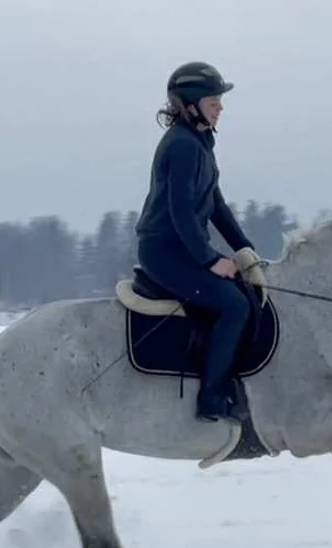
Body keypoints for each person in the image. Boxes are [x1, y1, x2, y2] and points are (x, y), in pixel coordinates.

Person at [134, 61, 258, 423]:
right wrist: (210, 260)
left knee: (247, 291)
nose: (220, 108)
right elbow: (182, 213)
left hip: (185, 248)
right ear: (189, 105)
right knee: (234, 306)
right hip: (165, 252)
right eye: (213, 102)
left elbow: (216, 205)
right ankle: (211, 397)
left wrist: (245, 251)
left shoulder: (201, 142)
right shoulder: (182, 146)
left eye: (220, 102)